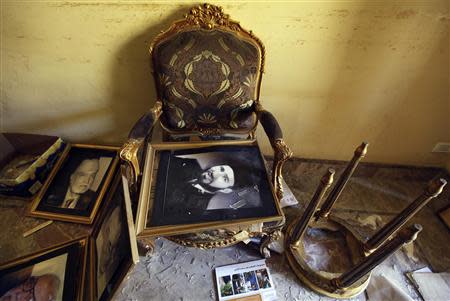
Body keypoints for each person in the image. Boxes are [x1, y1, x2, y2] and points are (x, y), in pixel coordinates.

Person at [163, 155, 260, 217]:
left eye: (224, 179)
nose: (215, 173)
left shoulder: (197, 209)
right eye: (221, 169)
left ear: (225, 190)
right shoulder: (190, 163)